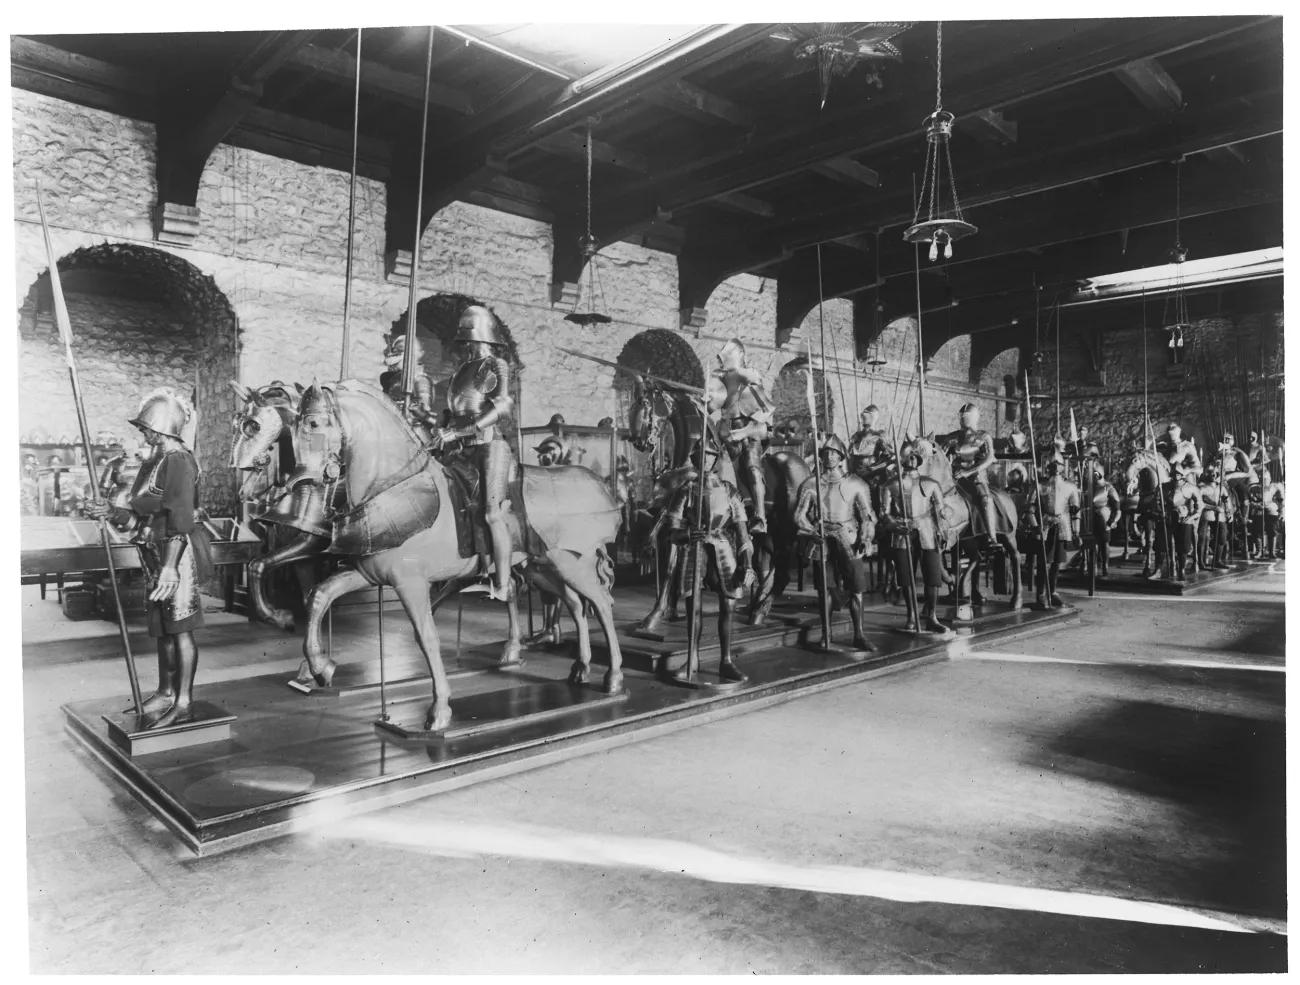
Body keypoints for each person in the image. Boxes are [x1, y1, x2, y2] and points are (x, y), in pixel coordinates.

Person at [85, 389, 211, 728]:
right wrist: (110, 510)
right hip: (155, 553)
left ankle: (183, 702)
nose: (143, 432)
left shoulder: (179, 460)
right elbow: (141, 517)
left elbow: (180, 520)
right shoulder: (155, 459)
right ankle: (166, 692)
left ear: (163, 426)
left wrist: (170, 568)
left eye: (146, 427)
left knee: (180, 628)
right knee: (163, 628)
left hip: (177, 557)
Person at [431, 305, 515, 600]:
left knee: (492, 514)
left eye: (468, 339)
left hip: (490, 446)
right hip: (461, 449)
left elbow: (502, 407)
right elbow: (454, 409)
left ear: (481, 337)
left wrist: (458, 432)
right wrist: (441, 426)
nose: (465, 345)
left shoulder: (495, 365)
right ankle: (468, 566)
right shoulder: (461, 371)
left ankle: (502, 584)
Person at [663, 432, 752, 683]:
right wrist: (687, 533)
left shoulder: (728, 489)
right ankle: (692, 658)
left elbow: (742, 532)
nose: (705, 459)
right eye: (701, 455)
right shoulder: (685, 490)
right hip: (695, 547)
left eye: (710, 456)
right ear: (695, 458)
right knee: (694, 607)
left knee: (728, 605)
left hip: (723, 546)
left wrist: (747, 562)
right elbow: (672, 529)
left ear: (715, 459)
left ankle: (726, 660)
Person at [794, 434, 877, 651]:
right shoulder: (811, 483)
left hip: (848, 537)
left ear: (841, 456)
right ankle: (826, 634)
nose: (830, 456)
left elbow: (867, 516)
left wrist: (866, 538)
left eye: (834, 453)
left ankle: (859, 634)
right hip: (821, 538)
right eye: (826, 453)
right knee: (826, 589)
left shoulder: (856, 484)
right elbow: (799, 516)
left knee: (856, 587)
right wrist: (811, 530)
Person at [880, 441, 951, 633]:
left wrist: (944, 530)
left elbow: (941, 511)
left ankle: (932, 616)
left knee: (932, 575)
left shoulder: (931, 483)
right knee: (906, 577)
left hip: (927, 530)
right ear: (902, 459)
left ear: (919, 459)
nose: (911, 459)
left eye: (914, 456)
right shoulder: (891, 485)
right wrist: (894, 523)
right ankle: (911, 615)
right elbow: (884, 514)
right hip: (902, 532)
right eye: (908, 456)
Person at [714, 339, 773, 534]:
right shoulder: (720, 379)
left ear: (739, 354)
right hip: (723, 431)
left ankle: (760, 517)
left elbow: (766, 414)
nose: (723, 359)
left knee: (753, 468)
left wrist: (743, 432)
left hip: (746, 432)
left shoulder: (748, 377)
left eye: (727, 354)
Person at [945, 403, 999, 548]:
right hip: (956, 477)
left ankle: (991, 536)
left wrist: (968, 471)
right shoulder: (953, 437)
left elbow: (989, 458)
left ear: (975, 417)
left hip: (976, 477)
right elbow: (942, 456)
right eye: (961, 416)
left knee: (986, 499)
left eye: (967, 416)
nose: (963, 419)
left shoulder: (983, 436)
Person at [1032, 457, 1080, 607]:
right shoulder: (1040, 486)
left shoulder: (1070, 487)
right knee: (1043, 563)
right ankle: (1041, 593)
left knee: (1057, 562)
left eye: (1058, 465)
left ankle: (1052, 592)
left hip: (1062, 524)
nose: (1056, 469)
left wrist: (1076, 531)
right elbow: (1029, 510)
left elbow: (1075, 511)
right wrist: (1036, 526)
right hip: (1045, 525)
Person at [379, 333, 437, 440]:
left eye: (399, 351)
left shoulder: (420, 379)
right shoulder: (395, 379)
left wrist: (417, 410)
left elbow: (424, 411)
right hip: (392, 425)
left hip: (412, 430)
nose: (393, 354)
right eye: (394, 350)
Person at [847, 404, 890, 484]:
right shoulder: (856, 435)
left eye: (867, 415)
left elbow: (889, 456)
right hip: (854, 474)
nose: (863, 418)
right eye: (863, 416)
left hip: (870, 475)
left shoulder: (879, 435)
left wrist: (875, 467)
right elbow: (849, 454)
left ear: (874, 417)